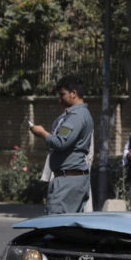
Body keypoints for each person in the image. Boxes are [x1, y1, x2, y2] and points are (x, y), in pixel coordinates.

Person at [29, 75, 94, 214]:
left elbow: (60, 142)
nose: (60, 99)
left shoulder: (76, 116)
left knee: (55, 223)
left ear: (74, 93)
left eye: (63, 94)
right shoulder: (78, 114)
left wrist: (42, 133)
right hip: (69, 179)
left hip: (68, 181)